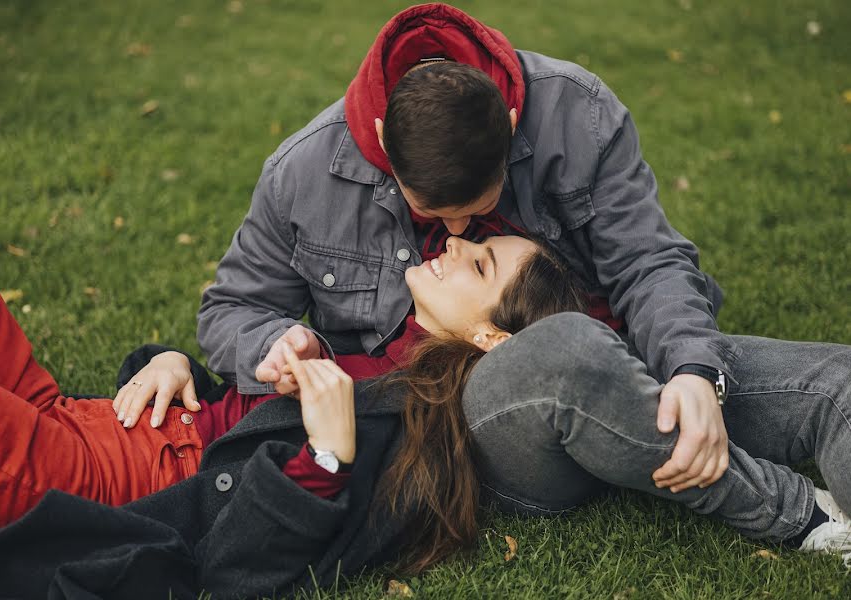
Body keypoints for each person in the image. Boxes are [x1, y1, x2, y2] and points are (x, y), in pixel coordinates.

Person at [197, 3, 735, 520]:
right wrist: (277, 344)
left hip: (607, 370)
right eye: (431, 211)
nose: (455, 235)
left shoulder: (581, 117)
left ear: (511, 121)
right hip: (430, 434)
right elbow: (230, 310)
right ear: (384, 140)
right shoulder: (300, 175)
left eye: (478, 208)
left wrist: (695, 371)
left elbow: (649, 262)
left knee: (724, 389)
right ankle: (788, 506)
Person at [0, 211, 585, 596]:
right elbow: (243, 430)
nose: (453, 246)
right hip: (76, 417)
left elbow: (237, 566)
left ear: (490, 337)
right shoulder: (382, 353)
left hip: (96, 479)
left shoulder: (413, 430)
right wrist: (173, 364)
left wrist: (329, 458)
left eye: (479, 266)